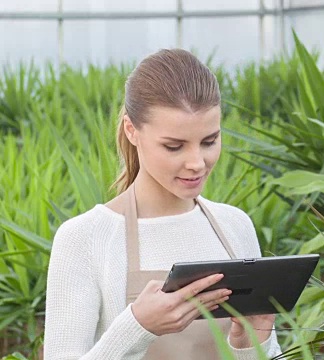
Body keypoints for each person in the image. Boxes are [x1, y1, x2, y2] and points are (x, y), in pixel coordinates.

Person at [43, 49, 282, 359]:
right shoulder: (85, 237)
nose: (197, 162)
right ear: (132, 130)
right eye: (174, 146)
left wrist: (254, 341)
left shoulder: (235, 226)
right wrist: (137, 326)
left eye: (209, 141)